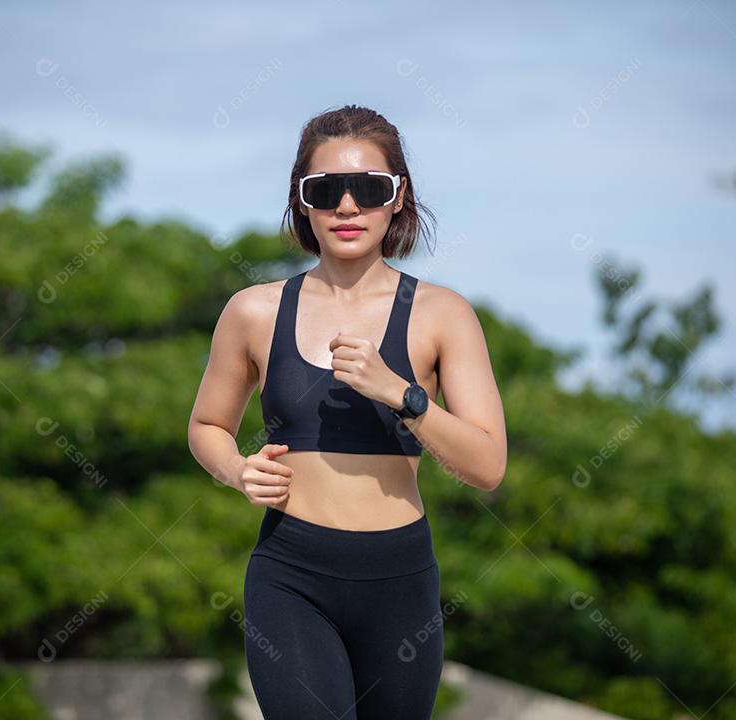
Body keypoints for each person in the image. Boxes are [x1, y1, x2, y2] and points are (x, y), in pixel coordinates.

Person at [187, 104, 507, 720]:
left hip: (401, 581)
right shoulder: (253, 311)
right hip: (290, 575)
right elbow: (206, 426)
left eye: (368, 189)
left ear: (398, 196)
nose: (347, 207)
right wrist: (236, 470)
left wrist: (404, 395)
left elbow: (488, 464)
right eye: (326, 189)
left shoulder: (444, 315)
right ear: (302, 200)